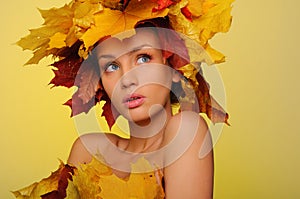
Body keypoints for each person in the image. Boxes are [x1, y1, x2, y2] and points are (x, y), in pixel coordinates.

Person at [14, 0, 233, 198]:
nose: (126, 80)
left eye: (143, 58)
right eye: (111, 66)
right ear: (99, 82)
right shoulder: (88, 151)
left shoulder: (186, 128)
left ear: (172, 65)